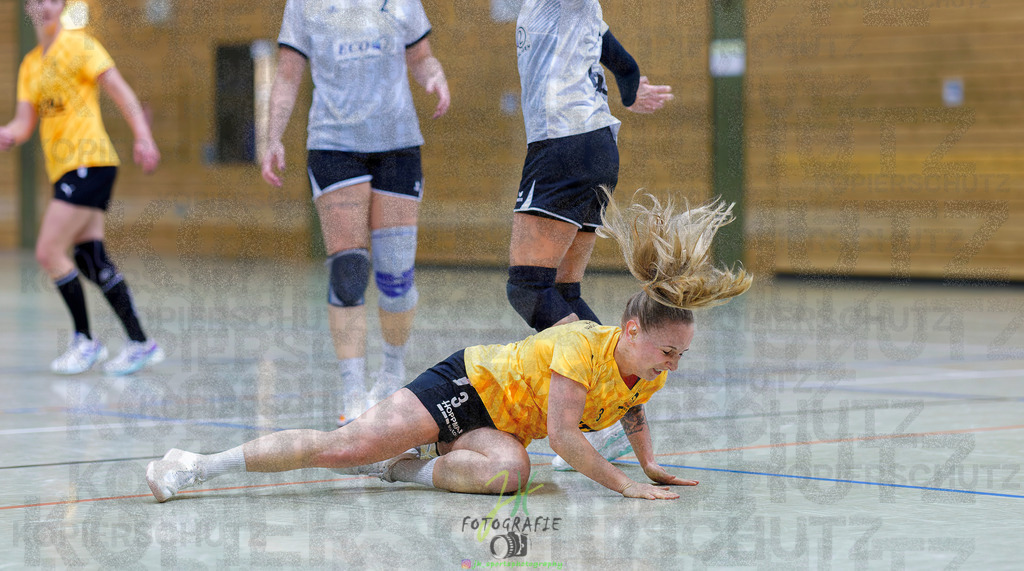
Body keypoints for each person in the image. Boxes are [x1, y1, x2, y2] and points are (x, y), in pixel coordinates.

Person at [146, 190, 752, 503]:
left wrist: (649, 463)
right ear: (632, 331)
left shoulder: (649, 372)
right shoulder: (578, 346)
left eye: (681, 356)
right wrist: (628, 487)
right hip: (465, 388)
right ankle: (196, 465)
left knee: (511, 474)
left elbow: (634, 407)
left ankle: (404, 470)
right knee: (344, 447)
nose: (673, 365)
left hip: (504, 429)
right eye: (669, 351)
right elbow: (566, 438)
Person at [475, 0, 674, 468]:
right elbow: (605, 42)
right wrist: (631, 81)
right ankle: (616, 410)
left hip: (564, 147)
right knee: (562, 294)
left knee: (527, 289)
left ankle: (602, 412)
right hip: (592, 148)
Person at [259, 0, 451, 425]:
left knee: (395, 277)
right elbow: (289, 77)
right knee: (348, 270)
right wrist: (272, 136)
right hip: (334, 142)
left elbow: (421, 55)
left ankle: (392, 375)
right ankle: (351, 392)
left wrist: (434, 76)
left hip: (396, 143)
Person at [0, 0, 162, 376]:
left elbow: (120, 91)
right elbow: (24, 123)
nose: (48, 6)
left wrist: (143, 136)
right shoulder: (29, 64)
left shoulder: (81, 46)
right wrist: (7, 135)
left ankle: (85, 341)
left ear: (62, 5)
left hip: (90, 160)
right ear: (29, 8)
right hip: (65, 170)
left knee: (47, 251)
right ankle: (141, 343)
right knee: (91, 259)